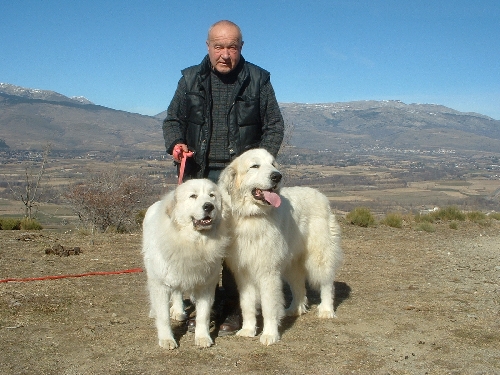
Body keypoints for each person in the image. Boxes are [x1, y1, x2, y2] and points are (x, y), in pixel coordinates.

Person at [162, 20, 284, 335]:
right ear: (208, 47)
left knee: (234, 238)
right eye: (219, 46)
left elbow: (274, 124)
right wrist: (175, 143)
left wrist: (259, 164)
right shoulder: (189, 79)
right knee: (202, 239)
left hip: (239, 180)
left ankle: (232, 306)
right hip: (199, 174)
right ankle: (205, 302)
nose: (225, 54)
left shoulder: (258, 79)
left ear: (241, 48)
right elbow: (173, 118)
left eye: (232, 47)